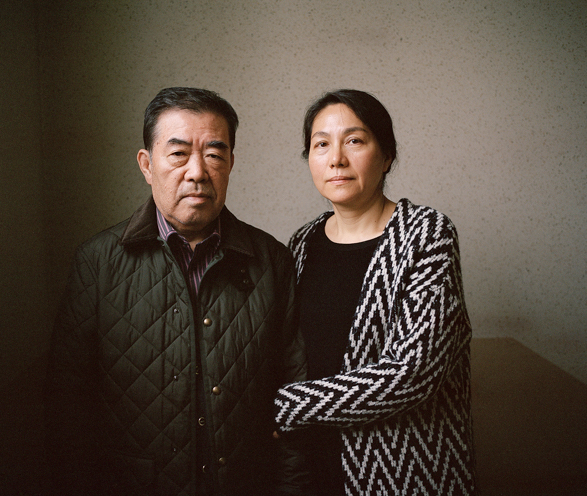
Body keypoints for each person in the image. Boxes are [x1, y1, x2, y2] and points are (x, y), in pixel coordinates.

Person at [44, 87, 307, 496]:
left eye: (214, 154)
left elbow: (297, 401)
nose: (198, 172)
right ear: (147, 164)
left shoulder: (272, 261)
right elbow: (67, 410)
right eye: (179, 153)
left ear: (231, 164)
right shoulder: (97, 262)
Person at [273, 89, 477, 495]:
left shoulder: (426, 234)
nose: (336, 159)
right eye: (321, 144)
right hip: (311, 466)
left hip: (403, 471)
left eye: (354, 140)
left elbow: (412, 373)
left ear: (386, 156)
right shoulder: (301, 243)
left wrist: (286, 406)